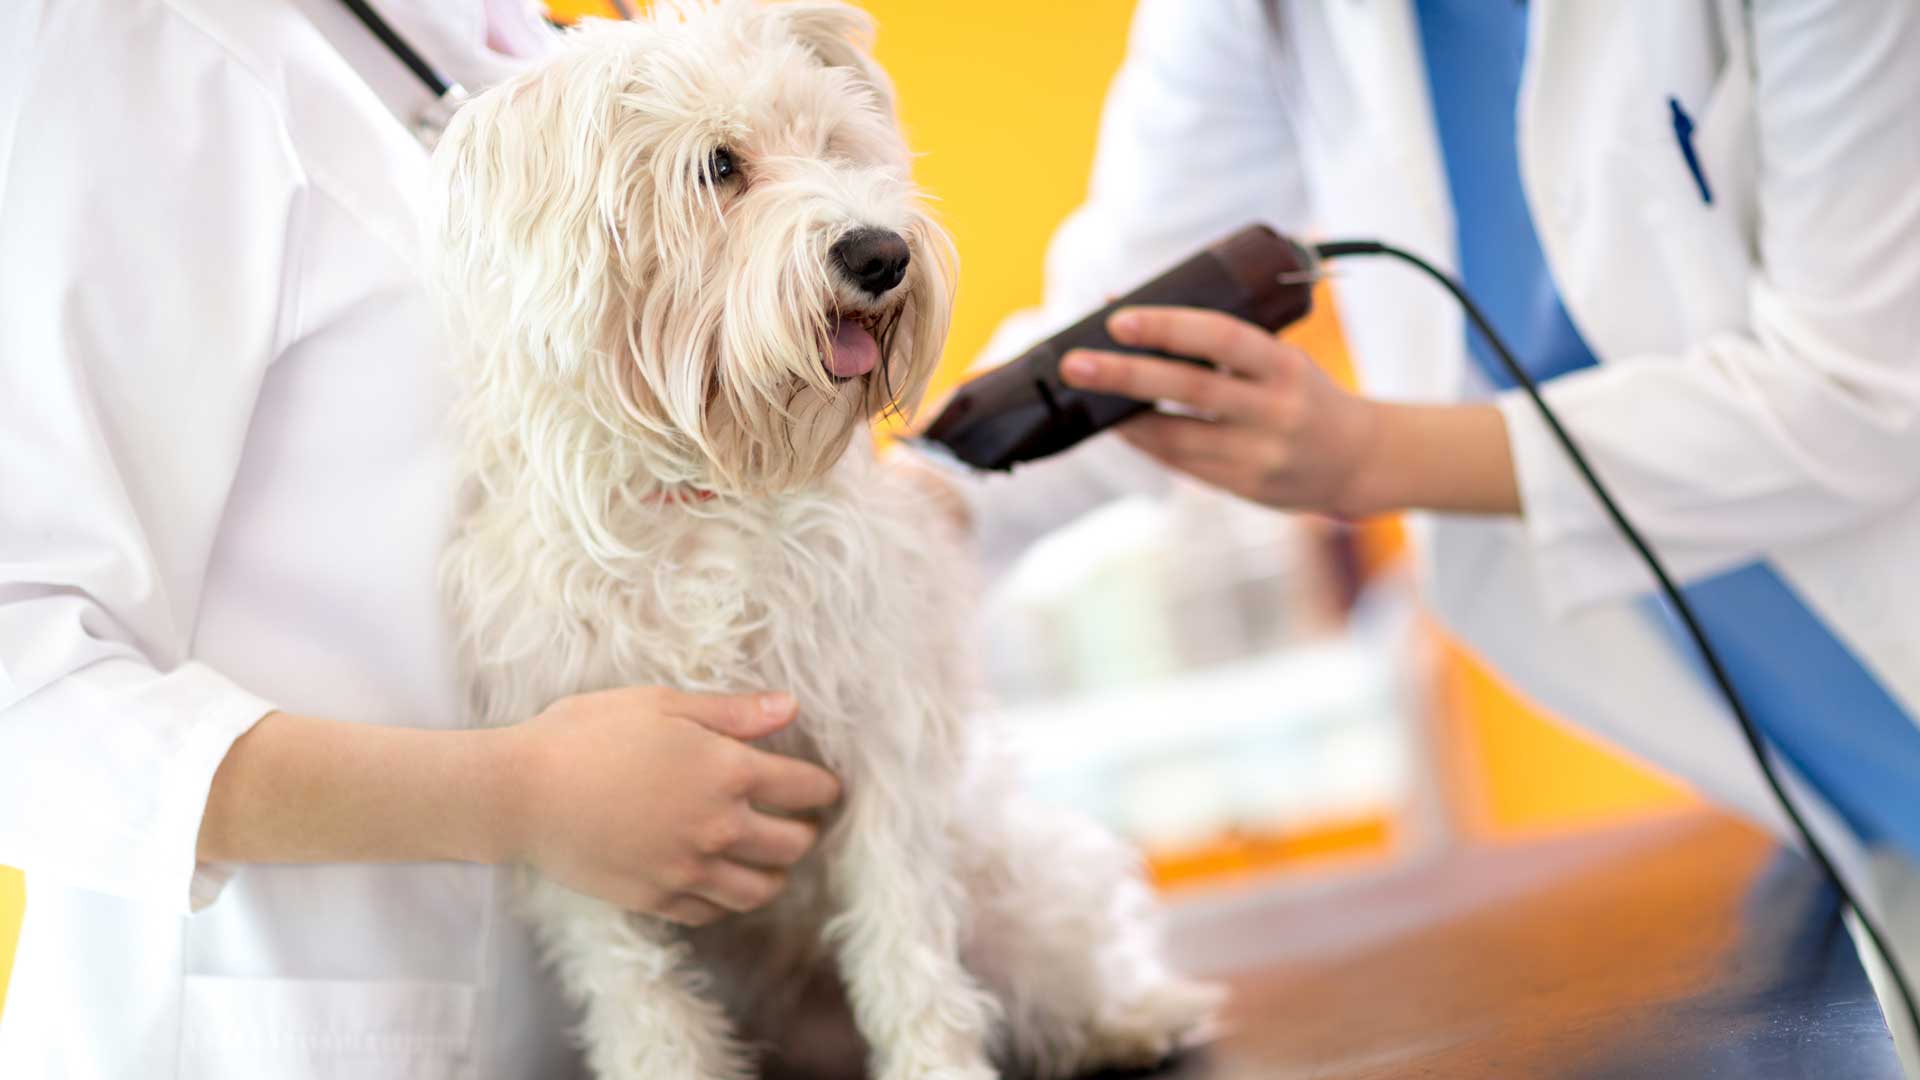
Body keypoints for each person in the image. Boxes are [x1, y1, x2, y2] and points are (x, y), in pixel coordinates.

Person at [933, 0, 1920, 1052]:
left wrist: (1373, 457)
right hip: (1835, 789)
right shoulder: (1254, 16)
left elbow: (1860, 389)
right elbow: (1113, 338)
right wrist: (858, 522)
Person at [0, 2, 839, 1076]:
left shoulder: (544, 40)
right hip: (281, 1034)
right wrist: (522, 799)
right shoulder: (139, 47)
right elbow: (21, 672)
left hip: (592, 1015)